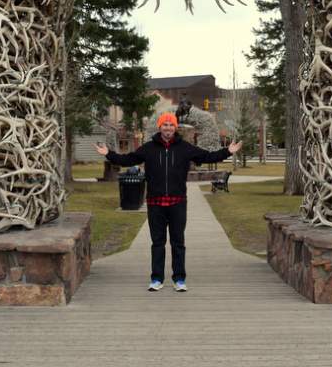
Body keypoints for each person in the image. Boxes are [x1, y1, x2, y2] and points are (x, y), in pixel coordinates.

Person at [94, 112, 242, 292]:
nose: (168, 128)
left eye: (171, 125)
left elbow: (206, 157)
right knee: (157, 243)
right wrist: (108, 153)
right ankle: (156, 279)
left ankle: (179, 279)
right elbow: (128, 160)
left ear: (175, 127)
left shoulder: (185, 148)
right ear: (160, 127)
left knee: (178, 242)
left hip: (177, 202)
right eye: (165, 125)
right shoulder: (148, 148)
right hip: (155, 203)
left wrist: (228, 151)